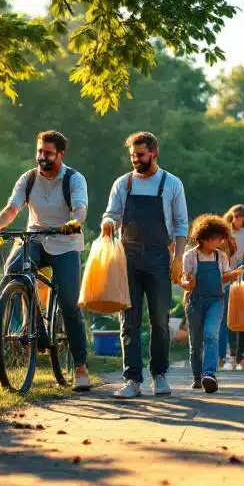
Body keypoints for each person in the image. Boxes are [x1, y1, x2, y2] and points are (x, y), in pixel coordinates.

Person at [0, 131, 93, 392]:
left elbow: (80, 208)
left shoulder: (74, 179)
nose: (42, 157)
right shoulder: (28, 179)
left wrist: (73, 223)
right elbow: (12, 208)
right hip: (35, 238)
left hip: (65, 243)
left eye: (48, 153)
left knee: (68, 302)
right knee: (13, 271)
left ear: (61, 155)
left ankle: (80, 366)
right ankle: (26, 327)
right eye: (39, 151)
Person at [101, 132, 190, 399]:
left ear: (154, 152)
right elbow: (112, 215)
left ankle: (159, 376)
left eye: (140, 155)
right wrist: (107, 223)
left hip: (159, 257)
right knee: (129, 321)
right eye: (132, 156)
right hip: (127, 257)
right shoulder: (123, 183)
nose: (135, 160)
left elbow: (181, 225)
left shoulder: (172, 183)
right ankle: (132, 380)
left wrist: (178, 260)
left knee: (160, 321)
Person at [180, 214, 244, 393]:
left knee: (211, 335)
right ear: (201, 237)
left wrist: (234, 274)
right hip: (194, 301)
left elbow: (223, 277)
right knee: (195, 342)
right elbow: (184, 281)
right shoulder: (190, 256)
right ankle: (197, 377)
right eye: (212, 238)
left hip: (215, 301)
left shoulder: (221, 256)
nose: (215, 242)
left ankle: (209, 374)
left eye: (218, 238)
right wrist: (188, 283)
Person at [220, 204, 244, 372]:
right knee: (229, 318)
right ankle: (230, 355)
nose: (237, 219)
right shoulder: (225, 234)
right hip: (227, 278)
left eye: (240, 217)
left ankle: (241, 357)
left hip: (242, 278)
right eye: (235, 216)